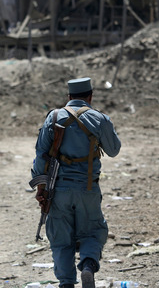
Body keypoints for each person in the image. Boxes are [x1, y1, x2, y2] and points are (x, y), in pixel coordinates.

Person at [30, 77, 121, 288]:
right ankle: (88, 266)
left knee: (61, 238)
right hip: (88, 188)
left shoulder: (53, 117)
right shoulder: (100, 119)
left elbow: (40, 157)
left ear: (69, 97)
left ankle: (66, 283)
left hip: (57, 190)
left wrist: (41, 189)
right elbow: (114, 150)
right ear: (90, 97)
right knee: (92, 231)